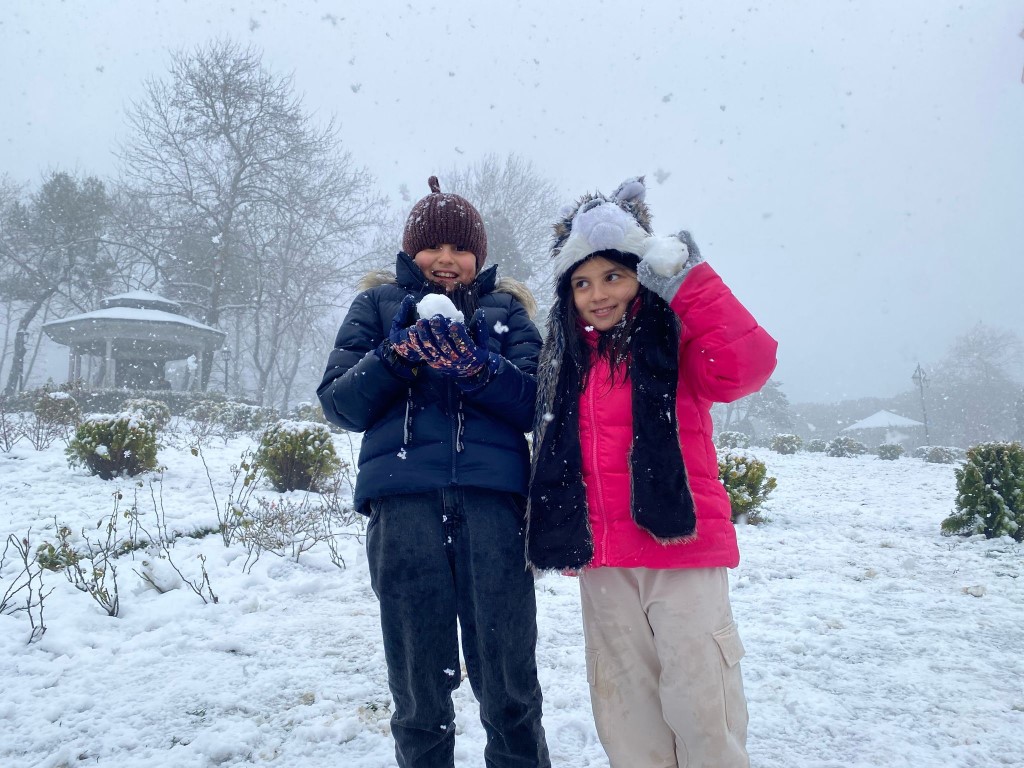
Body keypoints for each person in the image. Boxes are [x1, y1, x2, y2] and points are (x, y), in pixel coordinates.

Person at [526, 176, 777, 768]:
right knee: (628, 722)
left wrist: (690, 283)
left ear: (643, 273)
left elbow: (748, 366)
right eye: (582, 282)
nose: (598, 294)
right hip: (604, 561)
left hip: (681, 550)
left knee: (702, 711)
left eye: (614, 275)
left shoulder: (677, 339)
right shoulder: (562, 362)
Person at [317, 176, 550, 768]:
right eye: (432, 246)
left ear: (479, 255)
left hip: (494, 507)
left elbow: (538, 404)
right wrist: (394, 358)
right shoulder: (376, 306)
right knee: (419, 686)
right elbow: (340, 404)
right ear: (410, 251)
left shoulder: (508, 312)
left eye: (460, 248)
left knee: (509, 681)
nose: (446, 259)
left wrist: (479, 369)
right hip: (403, 506)